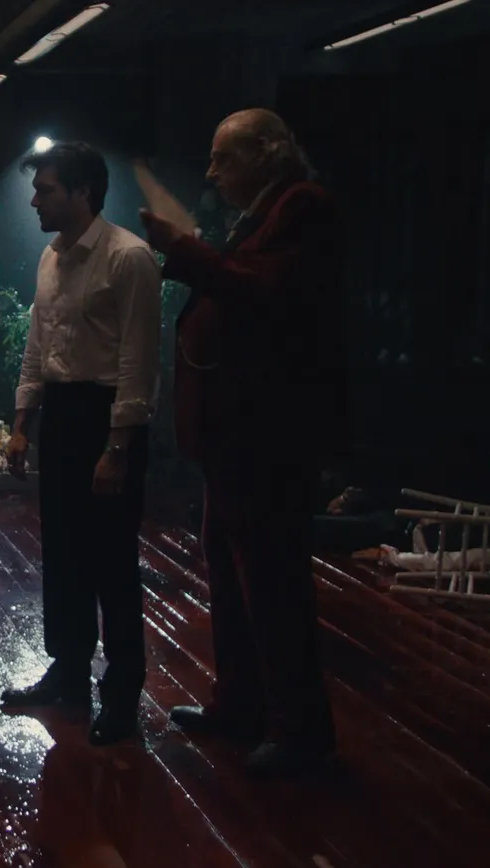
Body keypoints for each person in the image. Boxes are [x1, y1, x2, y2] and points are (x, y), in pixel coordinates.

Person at [137, 108, 348, 776]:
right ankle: (241, 705)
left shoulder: (302, 207)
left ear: (267, 151)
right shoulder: (263, 213)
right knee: (232, 577)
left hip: (268, 433)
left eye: (223, 157)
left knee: (272, 583)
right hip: (235, 433)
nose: (211, 172)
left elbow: (263, 291)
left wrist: (185, 251)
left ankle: (299, 732)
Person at [0, 141, 164, 744]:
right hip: (64, 415)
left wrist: (117, 448)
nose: (35, 202)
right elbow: (38, 345)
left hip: (107, 415)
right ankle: (68, 670)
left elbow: (138, 361)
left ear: (83, 192)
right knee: (64, 554)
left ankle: (121, 692)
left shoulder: (129, 257)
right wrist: (22, 424)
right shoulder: (52, 256)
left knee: (112, 560)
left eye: (45, 190)